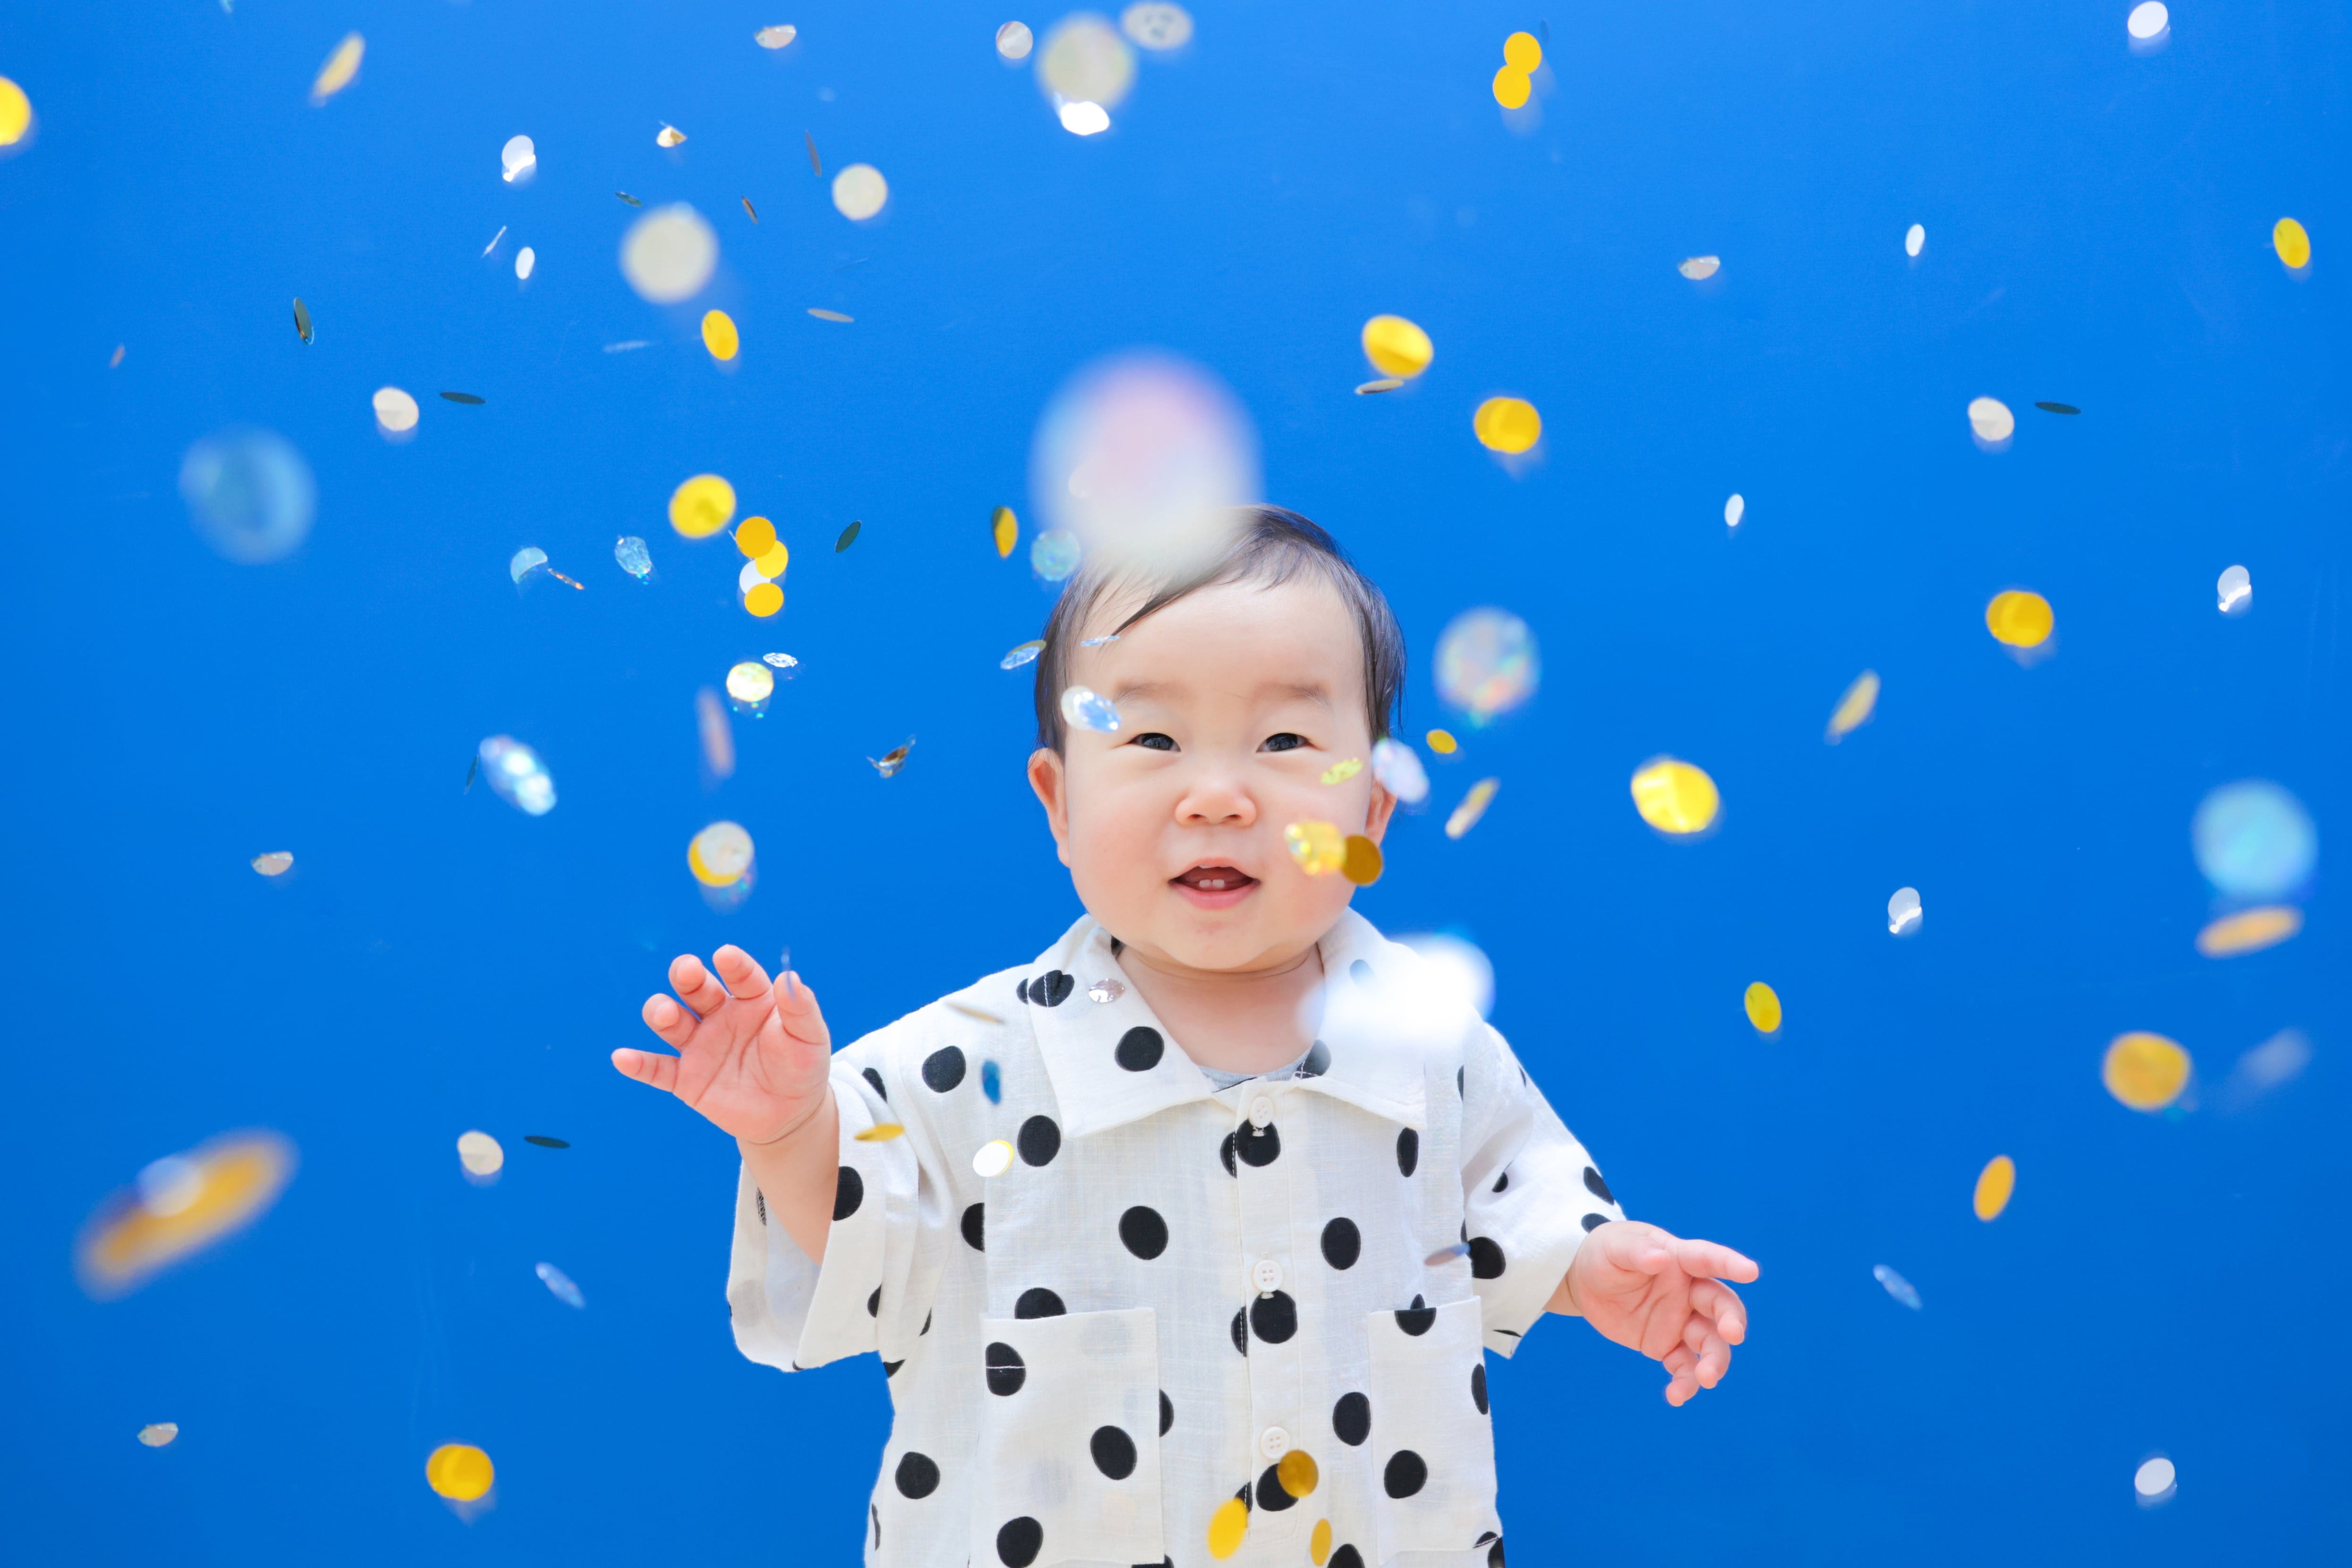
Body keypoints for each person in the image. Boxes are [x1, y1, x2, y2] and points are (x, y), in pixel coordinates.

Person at [615, 507, 1758, 1568]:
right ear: (1057, 802)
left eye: (1284, 740)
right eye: (1152, 735)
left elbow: (1519, 1194)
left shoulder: (1426, 1042)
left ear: (1368, 815)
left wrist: (1599, 1269)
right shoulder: (967, 1063)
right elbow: (856, 1250)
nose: (1217, 794)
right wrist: (791, 1131)